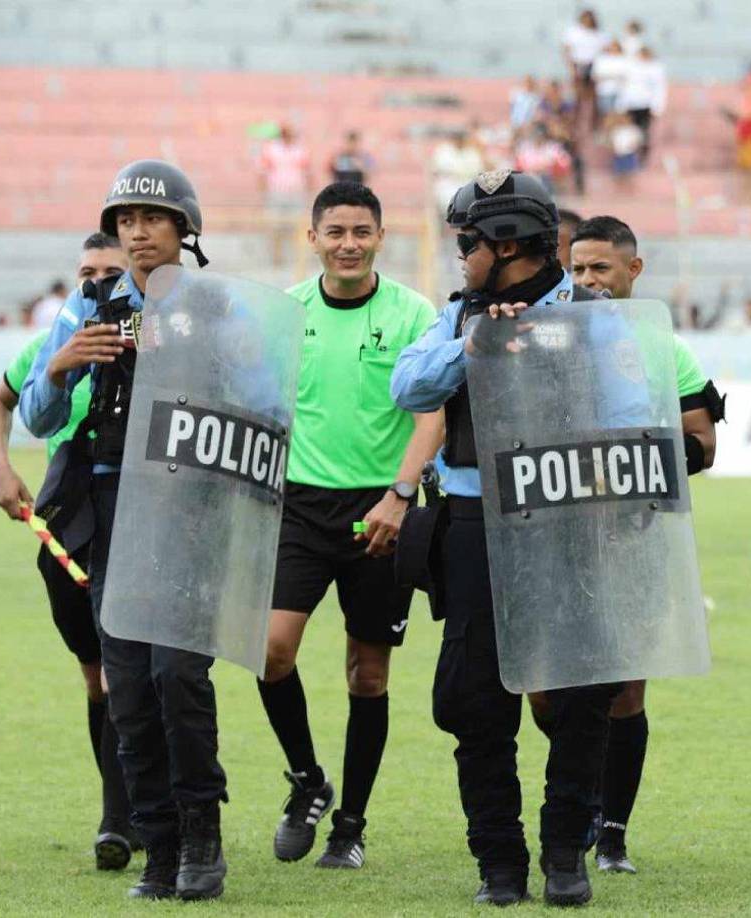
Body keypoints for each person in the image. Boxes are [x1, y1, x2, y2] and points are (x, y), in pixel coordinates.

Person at [391, 171, 616, 907]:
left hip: (570, 524)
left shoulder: (593, 317)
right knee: (476, 702)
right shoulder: (459, 315)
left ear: (509, 244)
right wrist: (477, 345)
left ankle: (565, 851)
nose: (460, 255)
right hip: (474, 527)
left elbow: (630, 416)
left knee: (582, 694)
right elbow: (408, 387)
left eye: (469, 242)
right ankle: (498, 861)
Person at [20, 160, 226, 902]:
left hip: (190, 511)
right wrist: (60, 368)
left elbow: (260, 405)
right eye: (127, 221)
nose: (138, 233)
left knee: (179, 677)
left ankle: (203, 841)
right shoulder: (89, 307)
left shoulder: (217, 309)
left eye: (153, 219)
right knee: (130, 687)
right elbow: (35, 416)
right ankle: (159, 851)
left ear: (184, 228)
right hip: (111, 511)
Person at [255, 182, 441, 871]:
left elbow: (431, 416)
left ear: (381, 238)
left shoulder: (414, 313)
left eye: (362, 232)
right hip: (299, 508)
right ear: (313, 239)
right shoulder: (286, 313)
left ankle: (351, 826)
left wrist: (400, 495)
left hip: (381, 511)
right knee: (271, 651)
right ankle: (308, 780)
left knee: (367, 673)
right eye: (335, 232)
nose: (349, 244)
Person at [565, 215, 723, 874]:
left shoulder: (666, 348)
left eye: (600, 268)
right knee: (550, 691)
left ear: (634, 269)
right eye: (577, 269)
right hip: (556, 538)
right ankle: (579, 797)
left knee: (627, 689)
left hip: (636, 535)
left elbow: (704, 444)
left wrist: (630, 461)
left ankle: (612, 833)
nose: (588, 281)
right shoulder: (547, 339)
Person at [0, 232, 133, 871]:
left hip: (127, 514)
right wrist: (0, 466)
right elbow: (0, 400)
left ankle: (118, 820)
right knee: (97, 677)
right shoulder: (56, 341)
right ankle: (126, 806)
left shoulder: (146, 340)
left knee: (128, 671)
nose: (96, 283)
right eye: (86, 272)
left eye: (110, 272)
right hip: (66, 523)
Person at [259, 124, 312, 268]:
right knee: (275, 225)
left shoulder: (300, 149)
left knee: (297, 225)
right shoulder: (271, 149)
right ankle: (276, 258)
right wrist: (264, 193)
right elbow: (263, 172)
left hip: (296, 192)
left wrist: (307, 191)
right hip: (276, 192)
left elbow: (307, 172)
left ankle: (297, 260)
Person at [618, 46, 666, 164]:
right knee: (630, 130)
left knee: (643, 131)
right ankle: (629, 157)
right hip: (631, 104)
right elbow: (626, 86)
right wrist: (622, 104)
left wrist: (657, 107)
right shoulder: (632, 67)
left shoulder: (655, 68)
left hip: (645, 104)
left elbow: (659, 89)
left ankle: (642, 155)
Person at [562, 9, 608, 130]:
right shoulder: (573, 32)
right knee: (576, 97)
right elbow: (567, 50)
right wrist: (572, 69)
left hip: (594, 66)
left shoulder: (599, 34)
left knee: (593, 99)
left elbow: (605, 51)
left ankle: (592, 126)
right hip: (578, 65)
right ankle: (574, 124)